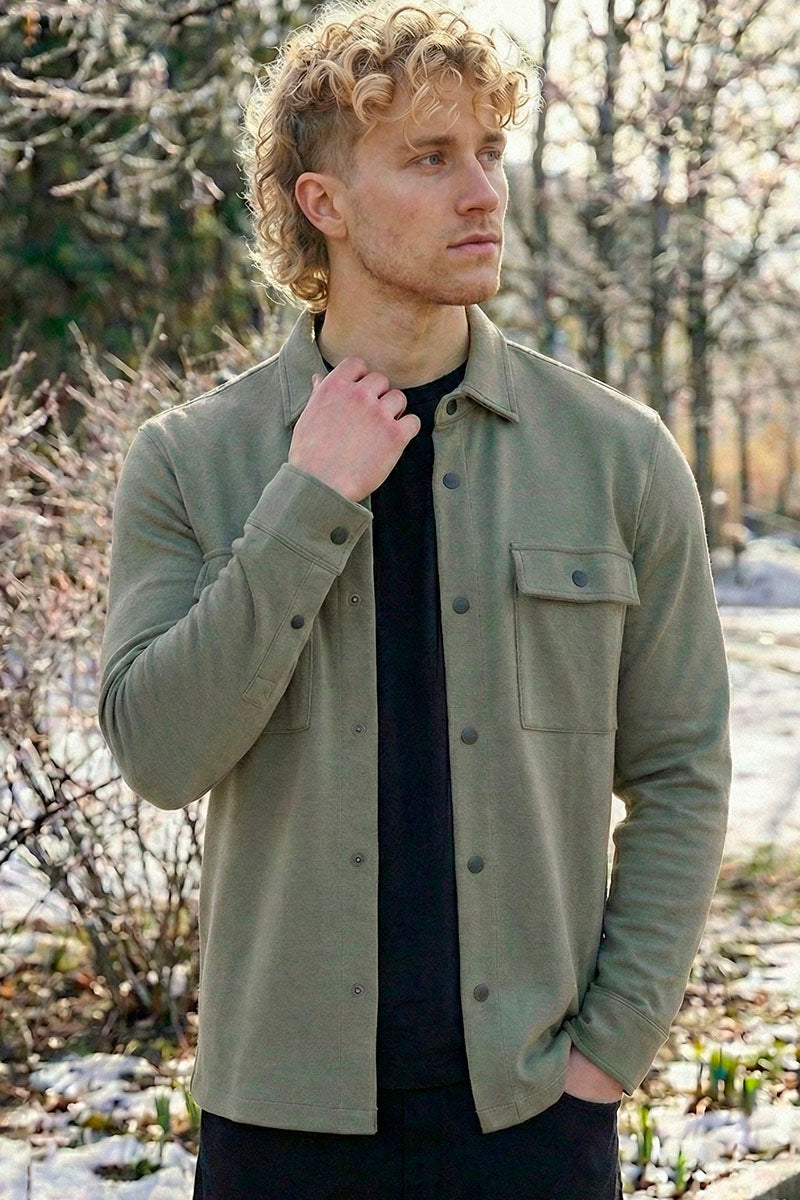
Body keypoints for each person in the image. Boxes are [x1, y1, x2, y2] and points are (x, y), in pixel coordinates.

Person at [97, 1, 732, 1196]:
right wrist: (306, 499)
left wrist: (607, 1054)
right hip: (278, 1128)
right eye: (430, 158)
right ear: (323, 203)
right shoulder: (190, 461)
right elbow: (159, 755)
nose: (483, 192)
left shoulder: (615, 457)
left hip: (532, 1119)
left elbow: (681, 768)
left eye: (489, 152)